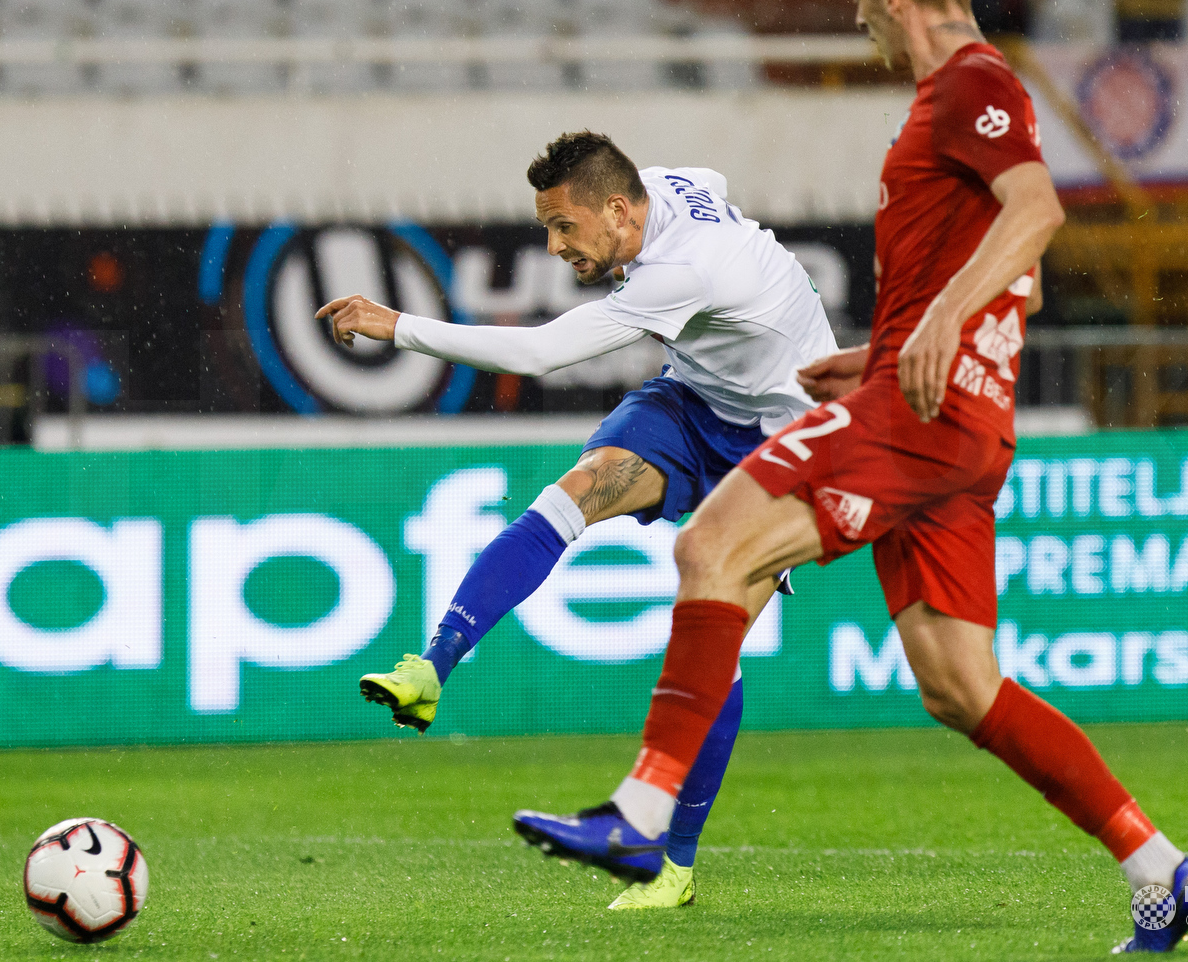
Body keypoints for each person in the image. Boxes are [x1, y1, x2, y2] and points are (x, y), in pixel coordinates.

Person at [511, 0, 1188, 954]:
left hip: (922, 418)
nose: (858, 18)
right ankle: (1162, 872)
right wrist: (885, 346)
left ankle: (642, 813)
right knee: (960, 685)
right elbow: (990, 261)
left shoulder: (971, 83)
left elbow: (1035, 210)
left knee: (711, 543)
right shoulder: (954, 102)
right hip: (945, 419)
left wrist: (929, 331)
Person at [316, 131, 837, 911]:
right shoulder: (665, 187)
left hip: (787, 440)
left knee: (711, 633)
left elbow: (537, 355)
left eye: (564, 227)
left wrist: (400, 325)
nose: (556, 246)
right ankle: (431, 667)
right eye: (548, 229)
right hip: (694, 402)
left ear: (619, 210)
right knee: (570, 494)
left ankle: (672, 866)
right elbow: (713, 176)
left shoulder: (682, 268)